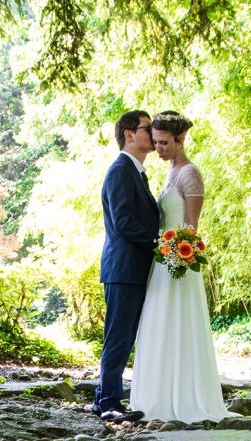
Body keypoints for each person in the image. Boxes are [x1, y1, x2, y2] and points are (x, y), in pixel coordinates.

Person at [129, 111, 232, 423]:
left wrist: (177, 255)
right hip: (163, 262)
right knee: (159, 327)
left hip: (179, 266)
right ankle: (159, 397)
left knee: (177, 326)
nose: (157, 148)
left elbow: (191, 228)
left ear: (181, 139)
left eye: (163, 143)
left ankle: (185, 399)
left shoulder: (189, 173)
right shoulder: (171, 171)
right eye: (155, 142)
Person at [92, 110, 161, 424]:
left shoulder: (136, 172)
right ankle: (108, 403)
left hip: (132, 268)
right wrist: (160, 243)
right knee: (119, 337)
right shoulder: (121, 170)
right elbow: (123, 223)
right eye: (148, 128)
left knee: (122, 335)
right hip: (123, 268)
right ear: (130, 134)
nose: (153, 134)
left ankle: (102, 399)